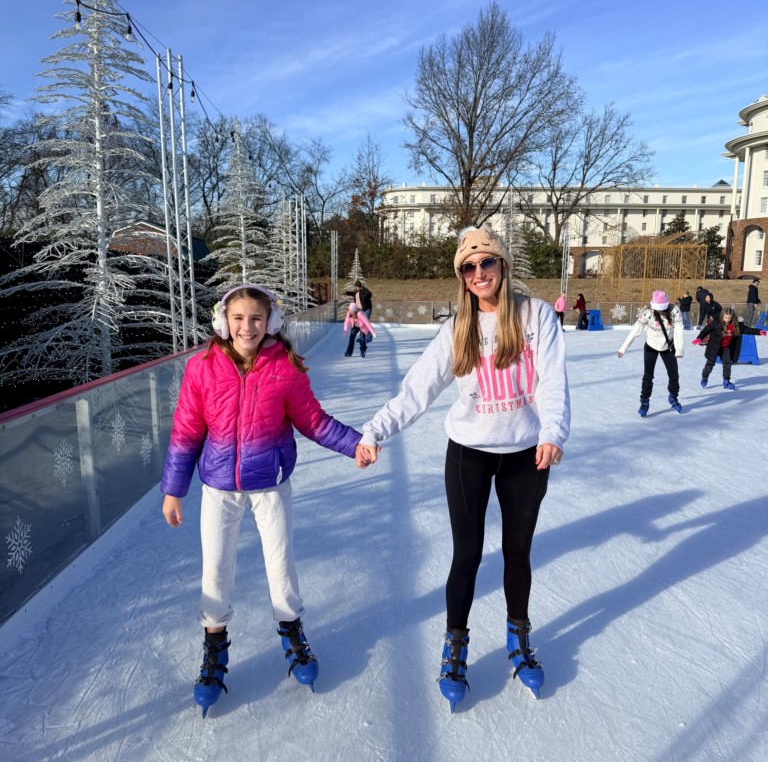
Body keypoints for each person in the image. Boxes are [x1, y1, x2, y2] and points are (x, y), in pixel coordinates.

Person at [355, 227, 570, 710]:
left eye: (486, 262)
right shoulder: (457, 328)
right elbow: (417, 390)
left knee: (518, 552)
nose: (478, 273)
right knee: (466, 555)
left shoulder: (535, 315)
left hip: (526, 453)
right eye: (468, 267)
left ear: (502, 264)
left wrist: (553, 432)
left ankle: (519, 638)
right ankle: (455, 645)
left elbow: (553, 379)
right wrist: (374, 432)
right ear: (461, 276)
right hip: (468, 454)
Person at [161, 285, 362, 716]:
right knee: (215, 568)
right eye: (238, 318)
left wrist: (355, 445)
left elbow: (314, 421)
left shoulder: (284, 367)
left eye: (256, 318)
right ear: (224, 321)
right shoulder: (202, 368)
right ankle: (214, 645)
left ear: (270, 322)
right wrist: (174, 490)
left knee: (280, 562)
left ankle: (292, 631)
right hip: (219, 487)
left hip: (270, 484)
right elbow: (186, 431)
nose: (247, 327)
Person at [617, 289, 684, 417]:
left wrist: (679, 349)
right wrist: (623, 348)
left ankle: (673, 397)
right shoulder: (648, 313)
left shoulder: (675, 311)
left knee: (674, 374)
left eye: (661, 308)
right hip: (651, 346)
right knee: (648, 375)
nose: (659, 311)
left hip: (667, 347)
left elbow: (679, 330)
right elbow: (635, 331)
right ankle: (644, 401)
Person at [693, 304, 767, 389]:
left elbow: (747, 329)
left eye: (729, 318)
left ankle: (726, 381)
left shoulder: (735, 325)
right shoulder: (716, 323)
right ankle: (704, 378)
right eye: (726, 318)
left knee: (727, 363)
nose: (727, 320)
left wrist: (759, 332)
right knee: (710, 364)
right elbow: (705, 330)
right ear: (722, 316)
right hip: (714, 347)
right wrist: (699, 338)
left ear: (732, 317)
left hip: (726, 347)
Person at [355, 280, 373, 344]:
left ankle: (369, 337)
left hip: (366, 309)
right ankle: (361, 337)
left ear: (359, 286)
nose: (356, 288)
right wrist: (347, 293)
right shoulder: (356, 291)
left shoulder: (365, 290)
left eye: (357, 287)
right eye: (355, 287)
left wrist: (365, 296)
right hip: (359, 310)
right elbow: (353, 294)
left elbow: (370, 294)